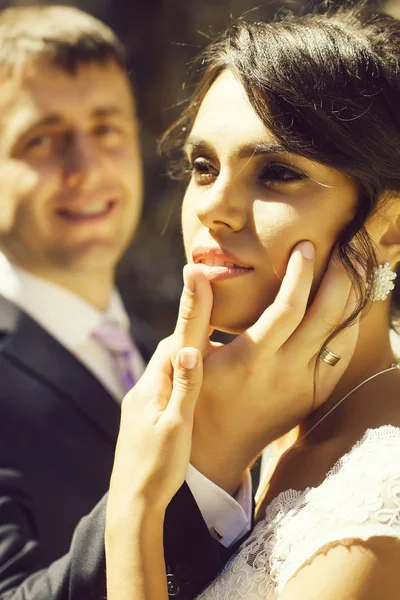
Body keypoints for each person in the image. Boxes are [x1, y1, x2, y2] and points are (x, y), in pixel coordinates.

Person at [104, 3, 400, 599]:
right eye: (203, 165)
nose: (213, 206)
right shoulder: (256, 414)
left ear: (389, 227)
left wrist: (135, 509)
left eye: (277, 173)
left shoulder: (382, 498)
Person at [0, 5, 262, 599]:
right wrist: (203, 469)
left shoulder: (161, 350)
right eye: (42, 139)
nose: (86, 167)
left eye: (105, 128)